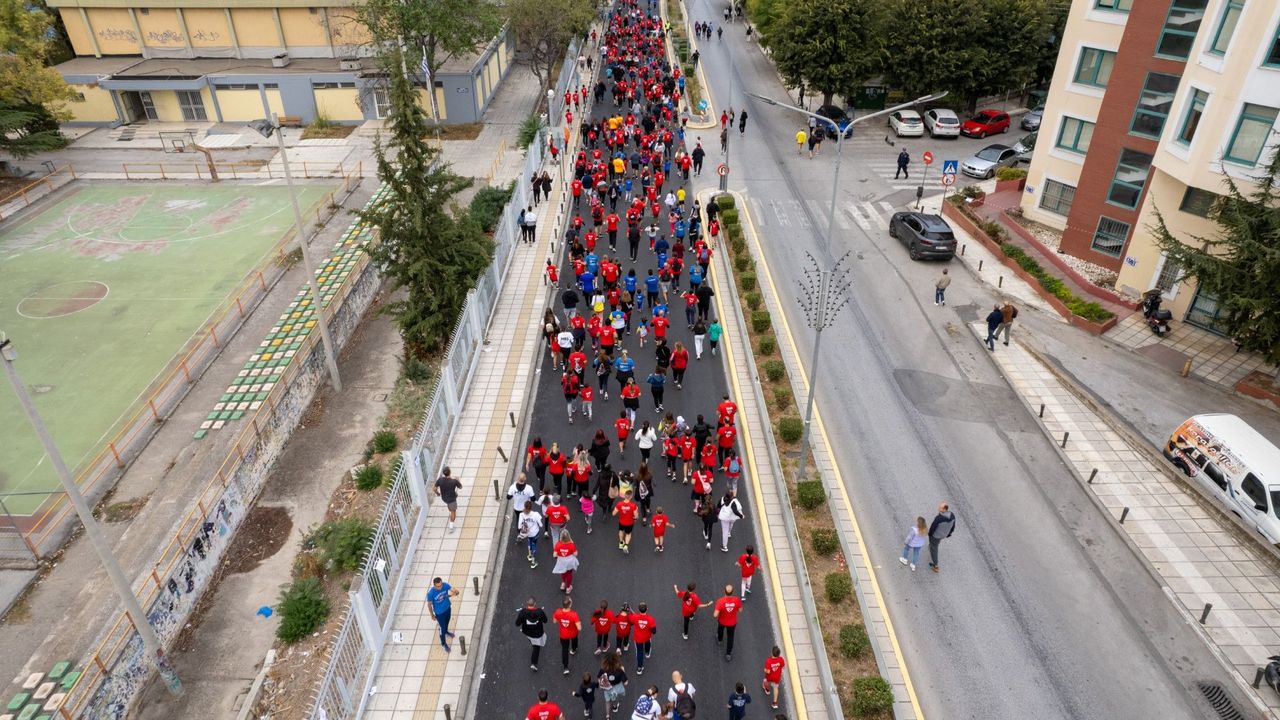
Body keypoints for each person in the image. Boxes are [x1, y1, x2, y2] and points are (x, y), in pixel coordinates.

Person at [426, 577, 459, 651]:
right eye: (438, 586)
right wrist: (432, 615)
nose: (440, 587)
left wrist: (456, 591)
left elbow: (452, 589)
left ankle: (446, 631)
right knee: (442, 628)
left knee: (447, 621)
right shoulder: (431, 593)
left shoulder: (445, 585)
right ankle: (443, 644)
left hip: (447, 608)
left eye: (441, 585)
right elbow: (429, 605)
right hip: (439, 613)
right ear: (434, 585)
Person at [516, 597, 550, 670]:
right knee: (536, 648)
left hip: (528, 633)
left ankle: (533, 645)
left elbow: (517, 624)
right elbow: (545, 620)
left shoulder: (522, 613)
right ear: (535, 603)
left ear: (527, 603)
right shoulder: (540, 612)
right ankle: (533, 663)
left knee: (532, 642)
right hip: (538, 633)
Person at [713, 584, 742, 660]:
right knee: (730, 637)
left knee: (720, 630)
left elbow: (715, 615)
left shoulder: (720, 601)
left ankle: (719, 640)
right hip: (732, 623)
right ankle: (728, 654)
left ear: (724, 592)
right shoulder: (736, 600)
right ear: (732, 592)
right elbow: (740, 610)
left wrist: (720, 611)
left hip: (722, 621)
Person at [554, 598, 583, 675]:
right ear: (570, 605)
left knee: (564, 649)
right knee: (574, 640)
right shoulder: (574, 614)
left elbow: (554, 621)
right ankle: (573, 649)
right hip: (573, 633)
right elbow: (579, 628)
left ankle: (565, 667)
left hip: (563, 634)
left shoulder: (558, 612)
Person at [927, 502, 957, 573]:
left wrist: (930, 534)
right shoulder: (952, 516)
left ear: (944, 509)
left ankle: (935, 565)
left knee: (934, 548)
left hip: (935, 536)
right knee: (936, 543)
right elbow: (953, 526)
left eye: (940, 507)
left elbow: (932, 528)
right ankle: (932, 545)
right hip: (943, 535)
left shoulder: (939, 518)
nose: (938, 508)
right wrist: (949, 534)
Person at [599, 652, 628, 718]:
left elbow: (599, 677)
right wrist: (623, 671)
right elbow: (626, 683)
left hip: (607, 687)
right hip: (617, 687)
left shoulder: (603, 669)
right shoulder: (619, 670)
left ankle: (607, 715)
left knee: (607, 701)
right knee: (615, 698)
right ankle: (615, 707)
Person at [631, 602, 658, 675]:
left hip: (638, 638)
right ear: (647, 609)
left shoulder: (635, 617)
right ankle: (647, 653)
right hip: (647, 636)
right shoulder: (650, 619)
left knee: (639, 652)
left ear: (638, 610)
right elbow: (654, 631)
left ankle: (639, 668)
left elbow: (631, 621)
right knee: (648, 643)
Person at [434, 467, 462, 533]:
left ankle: (450, 510)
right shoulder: (454, 481)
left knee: (450, 504)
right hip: (451, 500)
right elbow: (460, 487)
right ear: (450, 472)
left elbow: (434, 489)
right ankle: (451, 527)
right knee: (453, 514)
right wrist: (458, 480)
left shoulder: (440, 480)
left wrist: (438, 493)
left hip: (444, 498)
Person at [519, 500, 545, 569]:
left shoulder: (521, 515)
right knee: (534, 545)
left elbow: (519, 526)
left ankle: (529, 555)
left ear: (524, 507)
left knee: (529, 542)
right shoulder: (536, 514)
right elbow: (541, 525)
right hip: (535, 533)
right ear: (531, 507)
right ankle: (533, 562)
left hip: (527, 533)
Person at [553, 528, 579, 592]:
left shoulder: (558, 544)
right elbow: (575, 554)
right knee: (569, 573)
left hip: (561, 561)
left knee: (563, 572)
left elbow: (554, 555)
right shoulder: (571, 545)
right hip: (569, 562)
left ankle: (563, 583)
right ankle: (568, 587)